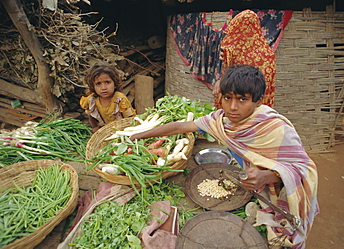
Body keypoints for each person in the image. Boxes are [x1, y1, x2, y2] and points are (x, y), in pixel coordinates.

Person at [130, 65, 319, 249]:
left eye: (242, 100)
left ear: (257, 101)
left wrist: (266, 176)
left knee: (287, 228)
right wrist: (136, 136)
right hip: (256, 181)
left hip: (285, 186)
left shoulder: (274, 127)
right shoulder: (220, 122)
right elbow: (179, 127)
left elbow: (302, 167)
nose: (232, 107)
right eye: (227, 98)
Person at [212, 9, 276, 109]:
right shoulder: (266, 52)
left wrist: (223, 82)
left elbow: (257, 86)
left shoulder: (261, 55)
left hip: (249, 106)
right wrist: (221, 80)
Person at [80, 63, 136, 133]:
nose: (103, 88)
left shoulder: (120, 99)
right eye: (98, 84)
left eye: (107, 82)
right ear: (93, 86)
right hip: (105, 129)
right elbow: (90, 115)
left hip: (122, 129)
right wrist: (94, 127)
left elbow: (130, 119)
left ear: (115, 84)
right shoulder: (92, 100)